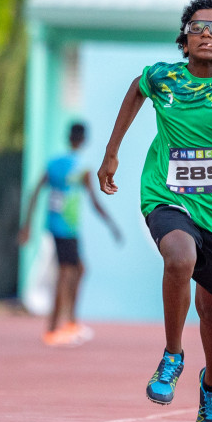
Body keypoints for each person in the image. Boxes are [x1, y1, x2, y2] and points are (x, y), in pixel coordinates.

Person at [98, 0, 212, 422]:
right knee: (179, 256)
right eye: (197, 28)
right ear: (184, 38)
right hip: (169, 195)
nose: (206, 35)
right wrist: (112, 150)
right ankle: (172, 354)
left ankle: (211, 387)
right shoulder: (163, 77)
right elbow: (137, 87)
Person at [20, 121, 122, 346]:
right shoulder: (81, 167)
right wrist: (112, 226)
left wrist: (27, 225)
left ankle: (69, 322)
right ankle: (54, 328)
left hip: (58, 225)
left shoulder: (54, 164)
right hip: (67, 227)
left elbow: (35, 192)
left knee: (78, 270)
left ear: (69, 138)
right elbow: (95, 202)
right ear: (83, 140)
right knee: (66, 274)